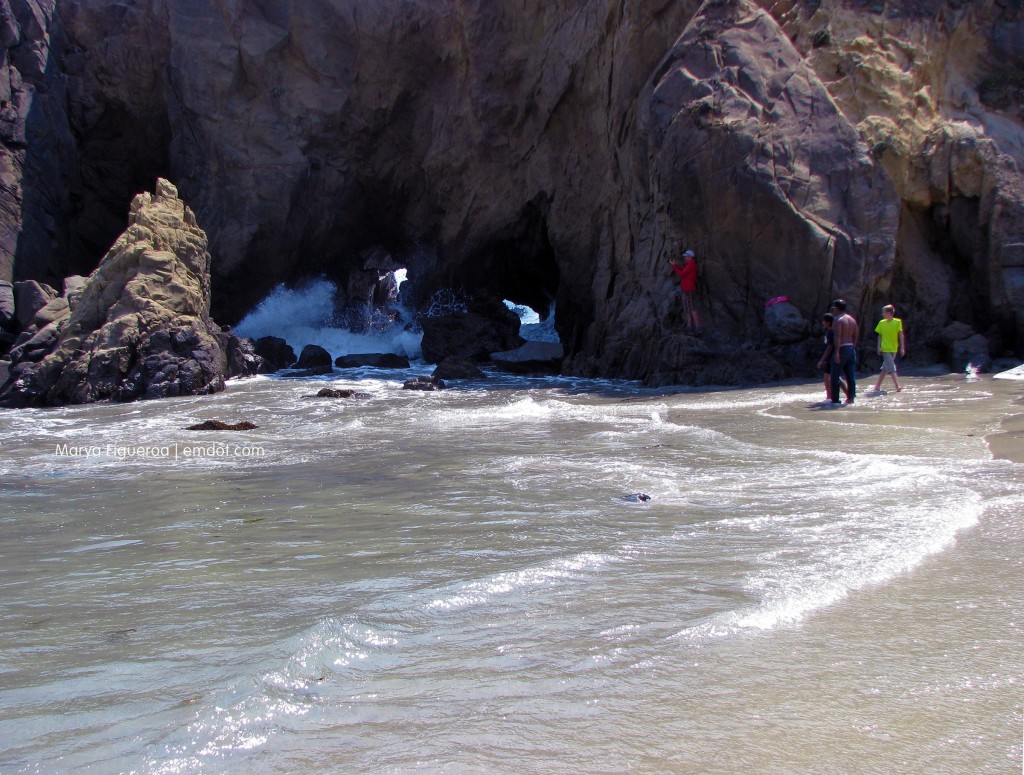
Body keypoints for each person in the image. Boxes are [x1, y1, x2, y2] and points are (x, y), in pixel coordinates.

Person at [830, 299, 859, 406]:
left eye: (834, 308)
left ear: (837, 308)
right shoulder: (852, 320)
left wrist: (837, 352)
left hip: (841, 348)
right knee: (850, 375)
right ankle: (851, 398)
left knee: (835, 375)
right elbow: (855, 335)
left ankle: (835, 400)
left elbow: (837, 336)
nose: (833, 310)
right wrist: (853, 347)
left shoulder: (838, 320)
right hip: (851, 348)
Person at [872, 304, 905, 392]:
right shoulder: (881, 323)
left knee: (885, 368)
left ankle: (877, 386)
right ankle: (897, 386)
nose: (882, 314)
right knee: (891, 367)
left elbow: (900, 335)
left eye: (883, 312)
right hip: (885, 348)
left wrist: (902, 347)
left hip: (894, 348)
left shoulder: (897, 322)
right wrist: (878, 347)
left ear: (889, 313)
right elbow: (879, 336)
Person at [816, 313, 849, 402]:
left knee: (828, 376)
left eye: (824, 321)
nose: (822, 323)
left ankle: (830, 396)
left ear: (828, 322)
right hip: (832, 357)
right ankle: (846, 395)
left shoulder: (831, 333)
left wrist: (821, 360)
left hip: (831, 358)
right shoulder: (830, 332)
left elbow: (830, 347)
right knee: (831, 376)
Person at [669, 248, 702, 335]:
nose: (685, 258)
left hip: (689, 289)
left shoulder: (691, 264)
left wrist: (674, 266)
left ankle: (698, 327)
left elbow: (681, 274)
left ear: (690, 257)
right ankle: (689, 325)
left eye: (686, 257)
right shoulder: (690, 264)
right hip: (686, 289)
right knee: (688, 308)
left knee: (691, 308)